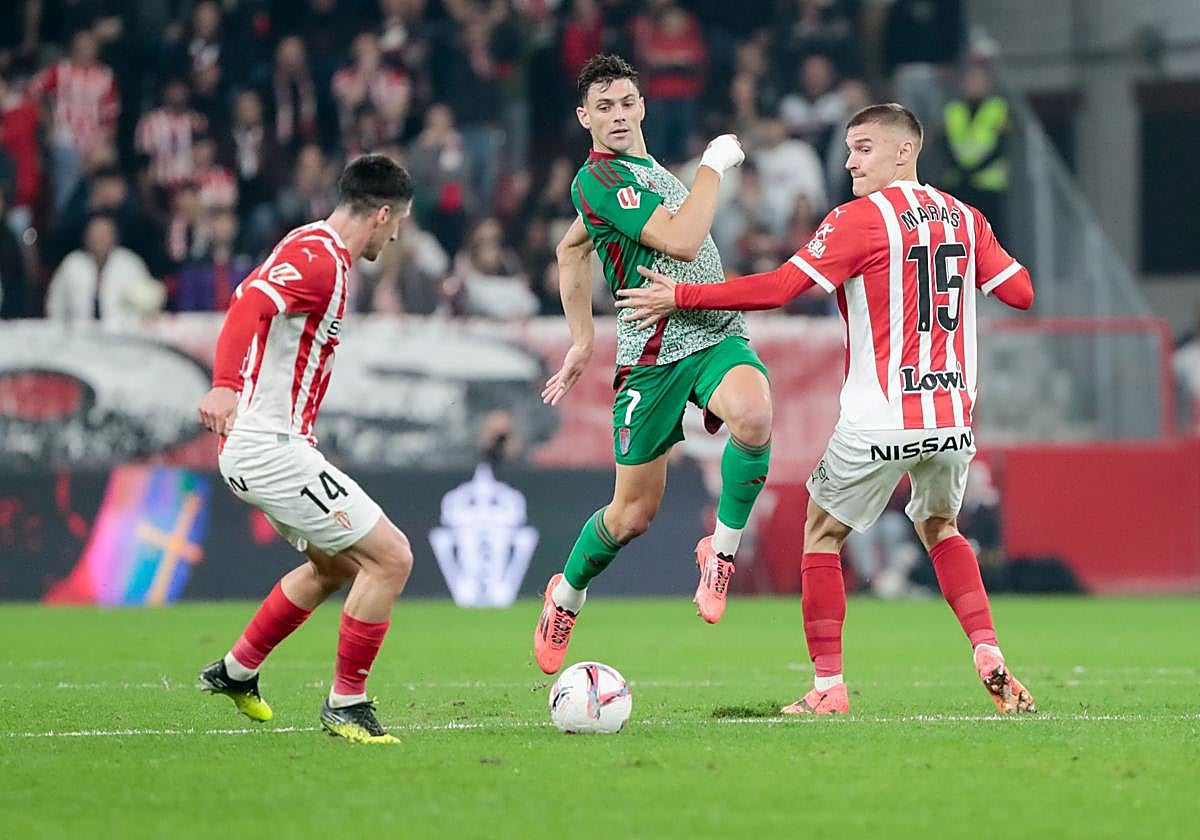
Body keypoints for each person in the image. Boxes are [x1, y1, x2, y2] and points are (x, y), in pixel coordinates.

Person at [617, 103, 1037, 715]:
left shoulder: (858, 221)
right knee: (941, 527)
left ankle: (827, 687)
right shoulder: (966, 218)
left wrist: (683, 294)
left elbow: (783, 289)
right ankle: (988, 650)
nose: (848, 161)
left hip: (880, 416)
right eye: (848, 148)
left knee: (820, 533)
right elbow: (1020, 293)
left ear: (904, 152)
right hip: (951, 417)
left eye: (863, 147)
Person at [532, 54, 774, 675]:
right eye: (603, 107)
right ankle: (566, 595)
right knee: (633, 514)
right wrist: (715, 165)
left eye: (626, 103)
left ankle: (720, 554)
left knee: (754, 414)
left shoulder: (648, 172)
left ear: (642, 106)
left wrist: (581, 339)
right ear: (584, 117)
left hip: (713, 333)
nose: (617, 116)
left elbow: (571, 250)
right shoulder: (597, 180)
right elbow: (683, 240)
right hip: (652, 356)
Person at [196, 154, 416, 744]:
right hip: (270, 447)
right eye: (397, 225)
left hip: (268, 446)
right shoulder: (321, 260)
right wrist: (224, 383)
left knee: (337, 564)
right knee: (392, 558)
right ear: (384, 213)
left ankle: (236, 670)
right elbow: (250, 305)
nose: (395, 237)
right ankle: (348, 704)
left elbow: (255, 295)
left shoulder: (311, 244)